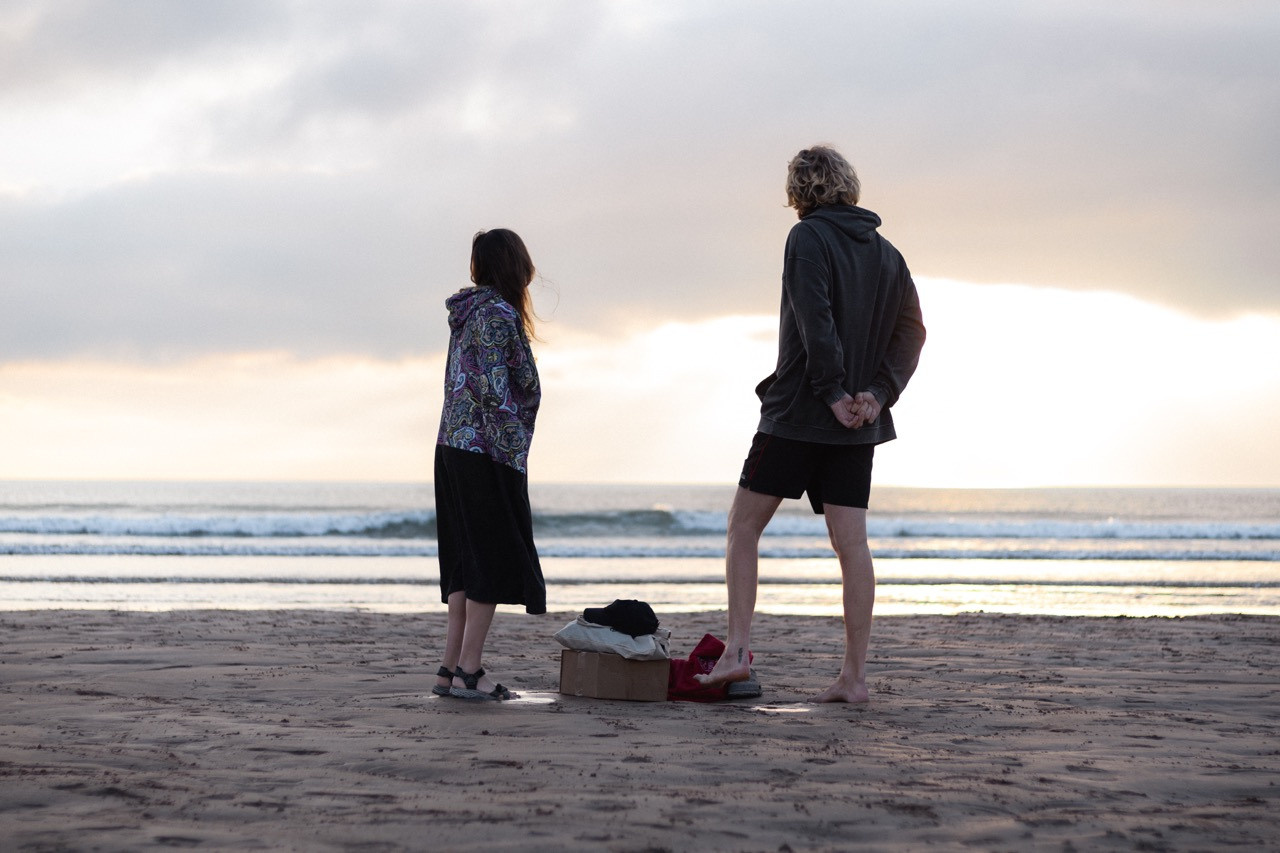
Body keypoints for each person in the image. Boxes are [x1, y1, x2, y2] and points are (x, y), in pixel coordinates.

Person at [696, 146, 926, 703]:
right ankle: (853, 678)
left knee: (742, 528)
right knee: (852, 547)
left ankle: (735, 655)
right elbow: (912, 333)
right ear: (848, 185)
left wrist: (833, 393)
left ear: (800, 192)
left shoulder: (806, 238)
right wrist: (875, 395)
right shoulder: (889, 254)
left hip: (801, 411)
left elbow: (814, 317)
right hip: (856, 424)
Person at [432, 228, 545, 701]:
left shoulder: (468, 314)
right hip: (488, 451)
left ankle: (450, 668)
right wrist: (514, 447)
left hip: (452, 448)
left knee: (464, 561)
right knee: (490, 559)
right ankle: (469, 672)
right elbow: (498, 391)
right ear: (515, 266)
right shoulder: (497, 315)